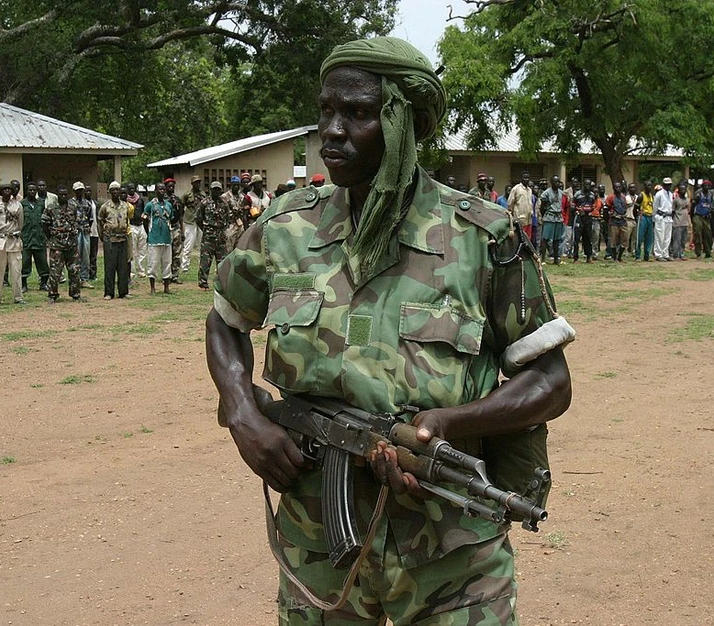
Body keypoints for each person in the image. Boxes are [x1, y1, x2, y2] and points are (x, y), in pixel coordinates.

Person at [206, 37, 573, 625]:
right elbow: (224, 322)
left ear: (404, 122)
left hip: (450, 554)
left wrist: (447, 423)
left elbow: (551, 382)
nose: (332, 130)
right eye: (326, 110)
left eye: (356, 113)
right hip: (319, 544)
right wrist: (242, 414)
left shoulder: (482, 236)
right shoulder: (285, 228)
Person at [41, 184, 82, 303]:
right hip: (57, 244)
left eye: (65, 194)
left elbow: (76, 221)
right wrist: (51, 238)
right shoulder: (51, 207)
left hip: (71, 244)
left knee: (74, 270)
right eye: (61, 194)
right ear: (57, 195)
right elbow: (44, 224)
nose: (63, 196)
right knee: (55, 271)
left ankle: (75, 294)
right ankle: (52, 295)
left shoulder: (73, 206)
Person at [0, 182, 25, 305]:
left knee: (16, 270)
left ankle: (18, 297)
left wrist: (15, 232)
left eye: (9, 190)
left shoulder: (18, 205)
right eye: (5, 190)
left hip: (13, 240)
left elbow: (21, 223)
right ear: (1, 192)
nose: (7, 192)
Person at [97, 181, 132, 300]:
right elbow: (100, 221)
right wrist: (102, 236)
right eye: (113, 190)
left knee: (123, 267)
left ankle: (123, 292)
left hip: (122, 238)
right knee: (110, 266)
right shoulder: (105, 206)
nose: (116, 192)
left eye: (118, 190)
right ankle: (109, 293)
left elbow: (127, 220)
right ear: (110, 192)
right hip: (110, 239)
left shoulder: (125, 206)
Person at [196, 180, 230, 290]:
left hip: (221, 237)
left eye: (218, 189)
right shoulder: (204, 203)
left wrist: (222, 229)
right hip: (208, 237)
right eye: (214, 189)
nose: (216, 191)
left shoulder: (224, 203)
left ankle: (222, 283)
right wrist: (206, 229)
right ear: (210, 190)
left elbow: (228, 219)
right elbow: (198, 218)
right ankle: (203, 283)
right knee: (205, 260)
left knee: (222, 261)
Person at [143, 182, 173, 294]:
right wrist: (149, 233)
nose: (162, 191)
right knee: (153, 262)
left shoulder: (168, 205)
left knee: (167, 262)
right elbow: (145, 220)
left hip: (166, 238)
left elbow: (171, 219)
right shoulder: (150, 205)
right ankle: (152, 288)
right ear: (155, 191)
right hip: (154, 238)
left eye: (163, 189)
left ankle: (166, 287)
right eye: (160, 189)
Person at [20, 183, 49, 292]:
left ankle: (44, 283)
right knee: (25, 262)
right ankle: (23, 285)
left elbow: (45, 220)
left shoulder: (41, 203)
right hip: (26, 238)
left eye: (34, 190)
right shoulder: (22, 204)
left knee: (42, 262)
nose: (32, 192)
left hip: (39, 237)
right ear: (26, 191)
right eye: (30, 190)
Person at [69, 182, 93, 289]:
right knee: (75, 256)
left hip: (85, 232)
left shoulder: (87, 203)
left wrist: (86, 228)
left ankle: (84, 279)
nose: (80, 192)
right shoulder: (70, 203)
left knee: (86, 256)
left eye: (81, 190)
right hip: (75, 232)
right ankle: (75, 278)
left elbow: (90, 218)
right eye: (78, 190)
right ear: (74, 191)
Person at [538, 175, 564, 264]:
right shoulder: (546, 193)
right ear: (552, 182)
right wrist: (543, 216)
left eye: (558, 182)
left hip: (558, 217)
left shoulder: (561, 192)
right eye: (555, 182)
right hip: (549, 217)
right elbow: (542, 207)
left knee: (557, 239)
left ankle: (556, 259)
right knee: (545, 238)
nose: (557, 184)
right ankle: (543, 259)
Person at [126, 182, 148, 279]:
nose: (132, 190)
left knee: (142, 249)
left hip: (141, 225)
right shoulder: (125, 201)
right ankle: (132, 271)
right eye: (130, 189)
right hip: (131, 226)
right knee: (133, 250)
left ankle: (141, 270)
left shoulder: (140, 200)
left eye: (133, 188)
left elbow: (144, 212)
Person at [164, 178, 184, 284]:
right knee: (166, 253)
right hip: (166, 228)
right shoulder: (161, 200)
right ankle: (166, 275)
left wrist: (182, 230)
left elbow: (180, 216)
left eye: (173, 186)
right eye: (169, 186)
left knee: (176, 252)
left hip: (176, 227)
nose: (171, 188)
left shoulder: (177, 199)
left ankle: (175, 275)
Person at [182, 176, 204, 270]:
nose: (198, 184)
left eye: (199, 182)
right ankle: (185, 266)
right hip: (190, 220)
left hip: (201, 220)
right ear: (192, 184)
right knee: (188, 244)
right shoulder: (187, 194)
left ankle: (201, 265)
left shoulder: (202, 194)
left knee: (201, 244)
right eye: (196, 182)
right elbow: (181, 205)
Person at [573, 179, 597, 263]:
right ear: (583, 184)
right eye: (586, 184)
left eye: (589, 185)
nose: (588, 186)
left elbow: (594, 205)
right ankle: (576, 258)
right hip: (579, 217)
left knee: (588, 238)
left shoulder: (592, 195)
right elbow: (572, 205)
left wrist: (591, 211)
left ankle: (589, 257)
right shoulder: (577, 194)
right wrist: (578, 210)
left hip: (588, 218)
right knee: (576, 238)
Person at [222, 176, 247, 251]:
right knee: (229, 248)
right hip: (230, 225)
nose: (236, 187)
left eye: (237, 185)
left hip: (240, 224)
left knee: (239, 248)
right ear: (231, 185)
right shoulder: (225, 196)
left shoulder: (242, 197)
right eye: (234, 185)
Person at [653, 178, 675, 262]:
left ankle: (665, 253)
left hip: (669, 218)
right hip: (660, 216)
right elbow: (655, 206)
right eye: (666, 184)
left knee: (667, 237)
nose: (668, 186)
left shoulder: (671, 194)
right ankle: (658, 254)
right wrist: (654, 217)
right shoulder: (659, 194)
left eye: (669, 184)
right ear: (663, 184)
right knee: (659, 237)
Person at [606, 181, 629, 261]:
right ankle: (614, 257)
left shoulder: (623, 197)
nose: (618, 188)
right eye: (616, 187)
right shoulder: (611, 197)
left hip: (622, 220)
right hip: (614, 221)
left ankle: (620, 256)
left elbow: (625, 207)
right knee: (613, 240)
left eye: (619, 187)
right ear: (613, 188)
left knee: (625, 239)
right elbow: (606, 208)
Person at [508, 171, 533, 240]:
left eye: (528, 178)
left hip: (529, 220)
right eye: (525, 178)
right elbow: (510, 204)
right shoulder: (516, 189)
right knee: (520, 240)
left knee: (528, 240)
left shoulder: (530, 190)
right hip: (520, 219)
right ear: (521, 178)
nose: (526, 179)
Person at [691, 180, 714, 259]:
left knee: (708, 235)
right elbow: (693, 206)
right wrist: (692, 217)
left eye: (708, 186)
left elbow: (710, 205)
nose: (706, 187)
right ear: (702, 187)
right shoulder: (698, 195)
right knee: (698, 234)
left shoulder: (710, 195)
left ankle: (707, 252)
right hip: (698, 216)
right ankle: (698, 253)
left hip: (706, 217)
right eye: (705, 186)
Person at [671, 181, 690, 260]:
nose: (683, 191)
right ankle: (676, 255)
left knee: (683, 240)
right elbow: (673, 211)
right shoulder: (676, 200)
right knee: (677, 240)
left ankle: (681, 253)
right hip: (677, 223)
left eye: (684, 189)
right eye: (681, 189)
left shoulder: (687, 200)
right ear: (678, 190)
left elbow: (688, 211)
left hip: (685, 223)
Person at [85, 185, 99, 280]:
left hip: (95, 232)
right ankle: (84, 274)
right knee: (85, 254)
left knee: (93, 255)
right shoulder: (82, 203)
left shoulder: (95, 203)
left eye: (90, 191)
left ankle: (93, 274)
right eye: (86, 191)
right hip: (85, 232)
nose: (88, 193)